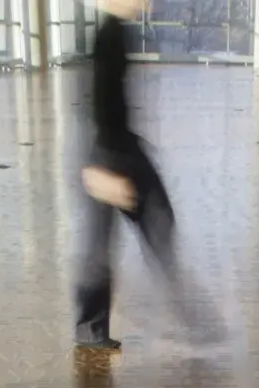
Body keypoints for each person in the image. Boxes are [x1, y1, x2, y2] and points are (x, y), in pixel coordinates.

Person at [75, 0, 182, 351]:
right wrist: (101, 171)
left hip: (120, 148)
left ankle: (92, 328)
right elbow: (98, 101)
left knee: (155, 220)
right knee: (102, 246)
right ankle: (90, 330)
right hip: (110, 153)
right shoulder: (109, 35)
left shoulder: (118, 32)